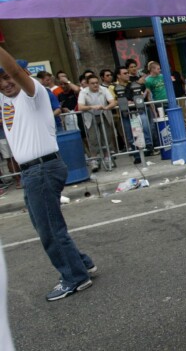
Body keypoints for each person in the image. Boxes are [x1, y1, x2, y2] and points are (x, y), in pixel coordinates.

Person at [0, 55, 96, 301]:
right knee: (49, 225)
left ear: (22, 74)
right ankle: (82, 264)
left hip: (43, 168)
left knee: (50, 230)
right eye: (1, 79)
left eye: (9, 76)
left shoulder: (33, 94)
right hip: (32, 171)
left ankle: (75, 277)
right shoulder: (4, 99)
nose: (6, 82)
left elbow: (16, 73)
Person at [78, 74, 117, 171]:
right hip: (90, 117)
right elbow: (80, 107)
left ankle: (107, 157)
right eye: (92, 83)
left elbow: (113, 102)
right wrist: (92, 107)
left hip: (104, 115)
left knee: (107, 136)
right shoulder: (83, 92)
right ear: (87, 84)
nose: (95, 85)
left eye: (96, 83)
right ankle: (94, 159)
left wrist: (106, 107)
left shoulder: (103, 89)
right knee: (93, 139)